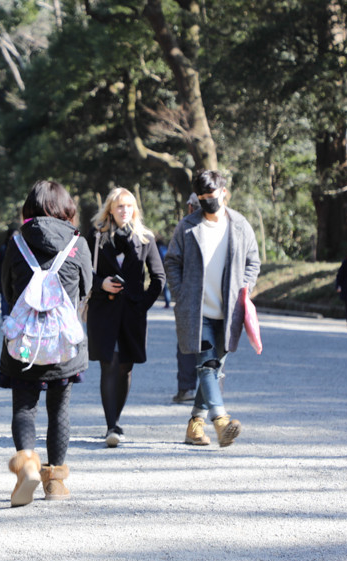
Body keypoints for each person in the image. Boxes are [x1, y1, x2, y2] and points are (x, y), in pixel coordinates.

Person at [0, 181, 90, 507]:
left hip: (25, 342)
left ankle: (27, 464)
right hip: (63, 343)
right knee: (59, 408)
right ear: (66, 207)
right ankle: (55, 483)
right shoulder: (77, 244)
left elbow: (7, 289)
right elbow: (86, 287)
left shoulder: (17, 241)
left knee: (25, 405)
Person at [164, 170, 260, 448]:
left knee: (215, 367)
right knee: (206, 364)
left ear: (224, 191)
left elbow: (253, 261)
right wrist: (181, 293)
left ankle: (195, 425)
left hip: (230, 311)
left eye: (212, 195)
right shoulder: (187, 226)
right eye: (202, 198)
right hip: (197, 311)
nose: (208, 201)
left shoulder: (240, 225)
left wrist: (245, 286)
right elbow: (172, 261)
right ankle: (220, 420)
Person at [86, 188, 165, 448]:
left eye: (129, 206)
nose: (124, 211)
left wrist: (141, 304)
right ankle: (112, 425)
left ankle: (115, 419)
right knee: (108, 363)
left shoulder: (145, 238)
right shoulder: (96, 238)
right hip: (103, 312)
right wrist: (101, 284)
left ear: (135, 210)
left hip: (131, 314)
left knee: (125, 367)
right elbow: (82, 273)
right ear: (110, 209)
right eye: (119, 206)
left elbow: (158, 277)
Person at [172, 192, 202, 403]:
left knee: (186, 346)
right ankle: (206, 392)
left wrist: (178, 292)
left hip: (191, 296)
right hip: (193, 296)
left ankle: (187, 388)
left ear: (191, 207)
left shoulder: (184, 226)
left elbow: (172, 262)